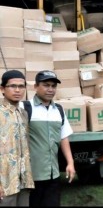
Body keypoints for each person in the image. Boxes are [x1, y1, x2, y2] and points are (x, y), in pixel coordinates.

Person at [23, 70, 76, 207]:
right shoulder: (25, 108)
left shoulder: (58, 110)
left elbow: (63, 137)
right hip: (32, 176)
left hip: (54, 174)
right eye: (46, 85)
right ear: (35, 87)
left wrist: (70, 163)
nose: (50, 89)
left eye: (53, 86)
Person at [0, 70, 35, 206]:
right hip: (5, 184)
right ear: (2, 89)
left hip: (23, 180)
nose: (17, 90)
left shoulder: (23, 114)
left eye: (21, 86)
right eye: (13, 86)